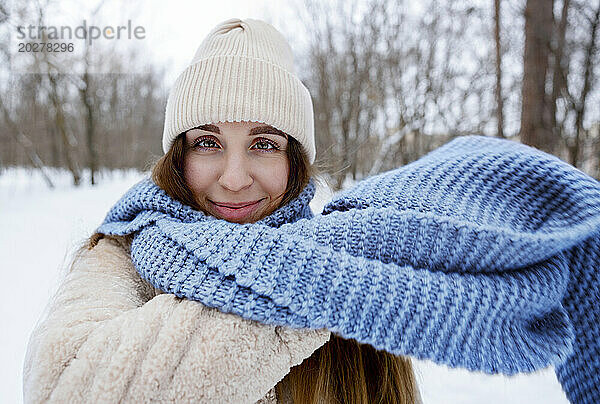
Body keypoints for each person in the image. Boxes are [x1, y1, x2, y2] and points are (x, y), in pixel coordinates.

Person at [23, 18, 422, 403]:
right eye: (207, 143)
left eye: (264, 144)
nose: (233, 179)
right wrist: (315, 287)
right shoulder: (120, 253)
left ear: (293, 162)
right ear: (179, 156)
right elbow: (62, 388)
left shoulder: (355, 270)